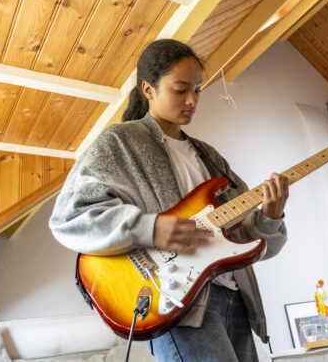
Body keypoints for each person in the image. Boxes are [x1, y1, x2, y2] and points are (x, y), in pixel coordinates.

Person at [49, 39, 289, 362]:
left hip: (237, 302)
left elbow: (254, 244)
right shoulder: (120, 143)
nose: (192, 100)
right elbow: (68, 217)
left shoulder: (211, 158)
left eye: (198, 90)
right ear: (148, 89)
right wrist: (150, 229)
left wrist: (270, 217)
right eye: (180, 89)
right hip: (179, 307)